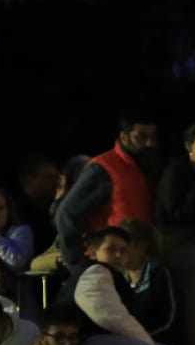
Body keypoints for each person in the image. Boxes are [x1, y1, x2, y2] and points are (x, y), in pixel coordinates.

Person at [54, 113, 160, 270]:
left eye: (152, 137)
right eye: (141, 137)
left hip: (138, 266)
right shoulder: (104, 168)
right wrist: (78, 266)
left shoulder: (147, 168)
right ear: (124, 136)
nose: (149, 143)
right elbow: (66, 215)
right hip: (111, 266)